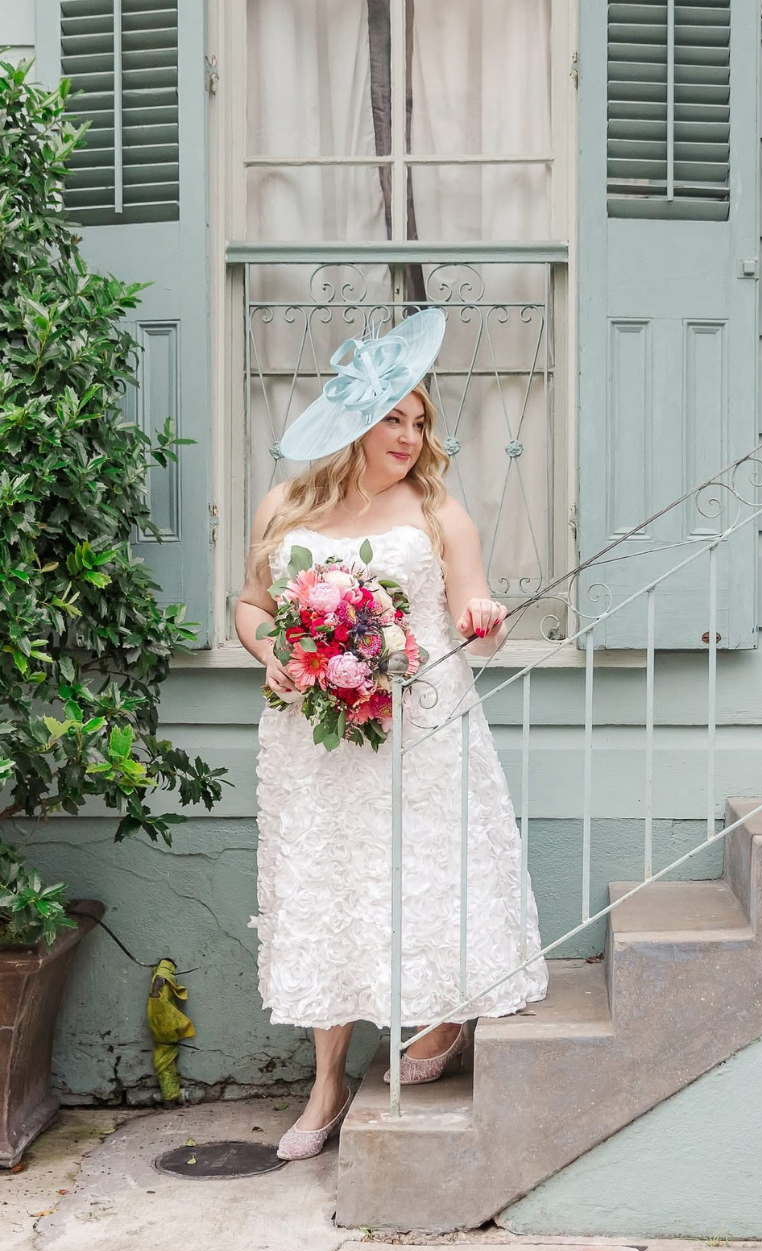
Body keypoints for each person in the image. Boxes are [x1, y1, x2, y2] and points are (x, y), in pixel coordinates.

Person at [235, 309, 549, 1162]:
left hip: (422, 727)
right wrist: (272, 653)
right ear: (351, 425)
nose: (409, 435)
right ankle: (328, 1083)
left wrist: (486, 616)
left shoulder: (439, 510)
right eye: (393, 419)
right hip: (318, 738)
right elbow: (254, 606)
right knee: (330, 891)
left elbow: (478, 609)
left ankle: (446, 1016)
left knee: (426, 875)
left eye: (418, 420)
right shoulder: (284, 506)